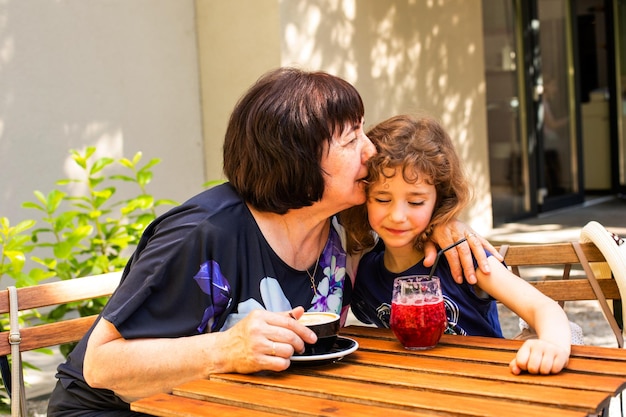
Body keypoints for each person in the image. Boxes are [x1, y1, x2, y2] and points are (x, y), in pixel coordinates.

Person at [47, 68, 496, 416]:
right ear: (298, 159)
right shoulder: (205, 233)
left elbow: (406, 218)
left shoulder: (336, 230)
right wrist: (225, 349)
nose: (370, 151)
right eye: (351, 138)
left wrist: (444, 225)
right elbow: (100, 366)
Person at [343, 114, 572, 375]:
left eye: (416, 202)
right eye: (382, 199)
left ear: (439, 200)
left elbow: (542, 307)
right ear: (364, 199)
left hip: (486, 387)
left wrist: (552, 344)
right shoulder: (364, 274)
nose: (397, 216)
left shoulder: (462, 256)